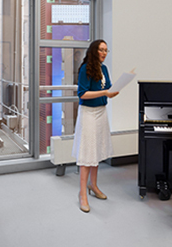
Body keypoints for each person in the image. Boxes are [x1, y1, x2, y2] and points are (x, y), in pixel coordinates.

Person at [72, 39, 119, 213]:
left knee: (97, 150)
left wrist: (112, 92)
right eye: (101, 50)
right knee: (87, 153)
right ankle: (82, 194)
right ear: (94, 51)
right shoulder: (85, 68)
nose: (104, 53)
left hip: (101, 112)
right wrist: (105, 92)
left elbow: (108, 89)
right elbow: (83, 94)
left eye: (107, 50)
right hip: (89, 114)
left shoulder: (104, 69)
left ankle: (94, 185)